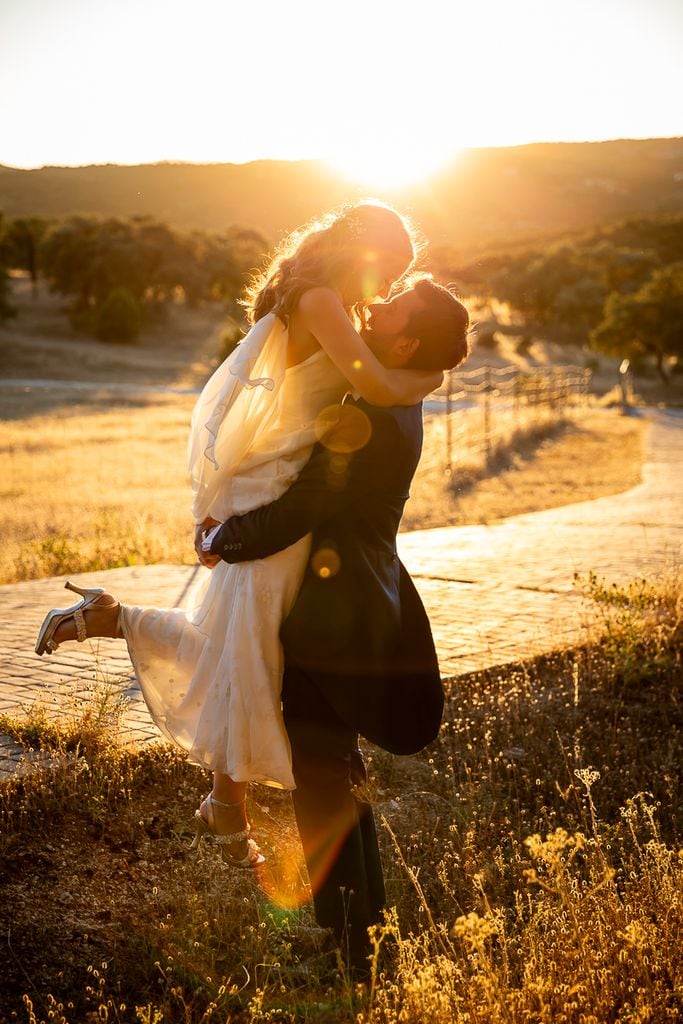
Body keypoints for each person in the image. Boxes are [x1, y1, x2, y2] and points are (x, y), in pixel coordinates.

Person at [34, 200, 442, 868]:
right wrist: (435, 370)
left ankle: (221, 789)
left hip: (278, 478)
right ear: (363, 252)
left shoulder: (320, 296)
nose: (387, 289)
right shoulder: (319, 299)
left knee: (241, 639)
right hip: (279, 486)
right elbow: (374, 383)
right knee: (248, 645)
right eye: (390, 271)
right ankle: (231, 802)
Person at [202, 277, 470, 969]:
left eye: (390, 307)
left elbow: (308, 504)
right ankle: (362, 934)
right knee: (334, 771)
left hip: (334, 613)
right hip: (363, 600)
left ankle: (352, 947)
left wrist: (221, 537)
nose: (372, 306)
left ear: (404, 341)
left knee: (323, 776)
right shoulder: (399, 396)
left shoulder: (371, 408)